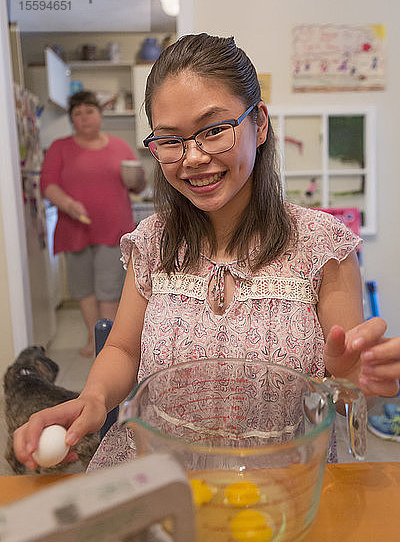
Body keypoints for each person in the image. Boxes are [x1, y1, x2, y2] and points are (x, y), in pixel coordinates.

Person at [15, 34, 400, 472]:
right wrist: (92, 399)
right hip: (157, 476)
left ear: (259, 124)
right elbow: (123, 348)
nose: (193, 158)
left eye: (214, 130)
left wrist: (350, 382)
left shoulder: (321, 245)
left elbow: (346, 385)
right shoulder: (151, 242)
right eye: (170, 140)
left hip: (281, 486)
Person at [40, 90, 146, 357]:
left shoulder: (119, 146)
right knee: (84, 289)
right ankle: (92, 338)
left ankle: (109, 344)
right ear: (72, 120)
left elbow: (137, 186)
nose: (84, 117)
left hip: (113, 230)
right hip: (74, 229)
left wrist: (138, 180)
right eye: (78, 113)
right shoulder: (60, 148)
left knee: (109, 290)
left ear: (100, 114)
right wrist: (68, 204)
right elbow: (47, 185)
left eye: (90, 111)